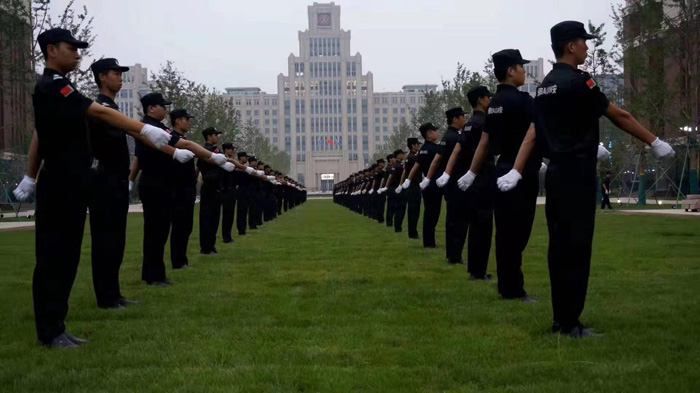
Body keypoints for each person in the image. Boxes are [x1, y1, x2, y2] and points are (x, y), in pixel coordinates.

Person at [498, 21, 675, 337]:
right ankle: (571, 324)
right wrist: (654, 141)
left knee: (559, 249)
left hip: (555, 176)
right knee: (577, 249)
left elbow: (535, 132)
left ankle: (559, 318)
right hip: (578, 176)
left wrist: (517, 168)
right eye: (583, 41)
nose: (587, 47)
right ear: (570, 46)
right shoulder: (581, 82)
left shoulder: (546, 85)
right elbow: (618, 115)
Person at [14, 28, 172, 348]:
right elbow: (96, 113)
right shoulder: (52, 86)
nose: (76, 53)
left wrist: (31, 175)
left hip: (74, 183)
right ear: (51, 51)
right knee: (54, 257)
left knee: (68, 256)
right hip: (59, 182)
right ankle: (50, 330)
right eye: (70, 48)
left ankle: (58, 325)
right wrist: (143, 129)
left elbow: (42, 134)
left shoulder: (64, 85)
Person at [459, 49, 539, 303]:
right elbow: (539, 129)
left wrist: (472, 172)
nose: (524, 71)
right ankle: (514, 289)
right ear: (511, 71)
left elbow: (485, 142)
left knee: (504, 231)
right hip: (520, 171)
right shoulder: (523, 101)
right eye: (521, 67)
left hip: (500, 169)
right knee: (518, 233)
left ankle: (507, 287)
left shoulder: (494, 104)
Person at [129, 95, 232, 285]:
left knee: (160, 231)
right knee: (155, 231)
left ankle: (155, 273)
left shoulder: (160, 128)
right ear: (151, 108)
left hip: (163, 183)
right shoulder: (146, 126)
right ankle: (154, 275)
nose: (166, 110)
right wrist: (131, 180)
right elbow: (141, 156)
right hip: (155, 182)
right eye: (163, 106)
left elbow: (184, 144)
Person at [86, 58, 141, 310]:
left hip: (116, 181)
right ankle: (105, 297)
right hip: (104, 181)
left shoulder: (112, 108)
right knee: (105, 240)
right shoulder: (98, 108)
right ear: (101, 78)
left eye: (121, 73)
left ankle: (114, 293)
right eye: (115, 73)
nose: (120, 77)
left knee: (117, 240)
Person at [441, 86, 496, 280]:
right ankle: (478, 271)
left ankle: (475, 269)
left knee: (475, 226)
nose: (491, 100)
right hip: (483, 177)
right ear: (481, 100)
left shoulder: (470, 124)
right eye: (488, 97)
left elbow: (458, 149)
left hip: (472, 181)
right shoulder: (484, 122)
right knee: (483, 226)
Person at [431, 107, 468, 265]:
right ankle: (455, 256)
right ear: (455, 119)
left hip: (450, 183)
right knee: (458, 221)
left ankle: (451, 254)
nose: (464, 119)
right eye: (462, 117)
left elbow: (438, 158)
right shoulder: (454, 138)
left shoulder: (447, 136)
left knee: (452, 220)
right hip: (456, 182)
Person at [168, 109, 198, 269]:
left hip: (187, 189)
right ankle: (178, 261)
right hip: (178, 189)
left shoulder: (183, 139)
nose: (189, 122)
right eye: (186, 119)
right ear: (177, 121)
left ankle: (182, 258)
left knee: (186, 226)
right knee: (179, 226)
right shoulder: (172, 139)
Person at [408, 122, 442, 248]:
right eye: (434, 131)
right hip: (434, 183)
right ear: (429, 134)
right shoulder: (435, 149)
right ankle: (430, 243)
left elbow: (417, 166)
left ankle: (428, 242)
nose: (437, 133)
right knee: (433, 214)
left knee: (428, 213)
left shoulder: (423, 150)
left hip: (425, 183)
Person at [399, 138, 422, 240]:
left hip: (411, 186)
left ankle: (412, 232)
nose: (419, 146)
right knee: (414, 211)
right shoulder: (414, 157)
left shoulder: (409, 157)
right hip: (414, 186)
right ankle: (413, 233)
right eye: (418, 144)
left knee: (413, 210)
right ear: (413, 146)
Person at [220, 142, 239, 243]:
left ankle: (228, 235)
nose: (233, 151)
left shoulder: (233, 161)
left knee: (230, 214)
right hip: (225, 189)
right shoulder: (222, 160)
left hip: (232, 189)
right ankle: (226, 237)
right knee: (227, 214)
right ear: (226, 150)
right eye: (231, 149)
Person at [388, 149, 407, 232]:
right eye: (403, 154)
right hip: (398, 189)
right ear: (399, 155)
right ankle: (398, 227)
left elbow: (390, 177)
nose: (404, 155)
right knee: (400, 208)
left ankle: (397, 226)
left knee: (396, 208)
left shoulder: (395, 166)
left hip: (394, 188)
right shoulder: (398, 166)